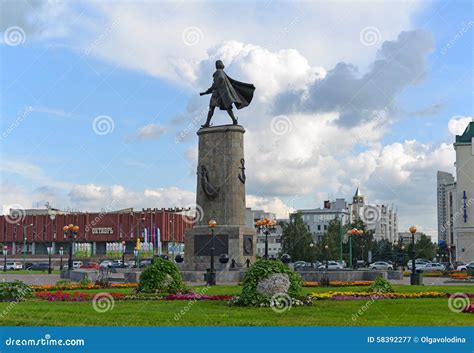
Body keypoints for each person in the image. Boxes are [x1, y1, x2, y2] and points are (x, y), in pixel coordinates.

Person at [200, 60, 255, 127]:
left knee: (212, 108)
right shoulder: (222, 72)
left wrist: (213, 88)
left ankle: (207, 123)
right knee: (227, 107)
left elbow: (219, 80)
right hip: (221, 93)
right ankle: (234, 120)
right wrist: (208, 91)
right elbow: (219, 81)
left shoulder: (219, 72)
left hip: (217, 93)